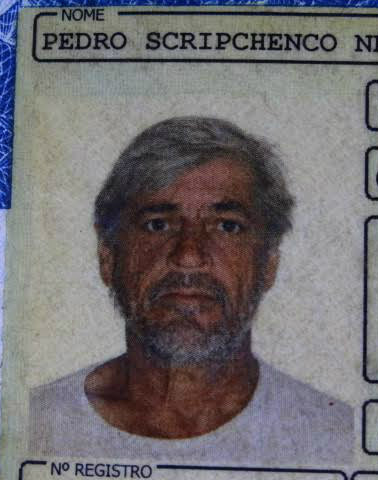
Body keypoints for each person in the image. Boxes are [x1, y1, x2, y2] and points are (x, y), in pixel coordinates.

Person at [30, 116, 353, 463]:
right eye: (158, 225)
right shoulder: (37, 426)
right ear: (107, 257)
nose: (188, 257)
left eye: (227, 226)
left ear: (269, 262)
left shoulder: (336, 437)